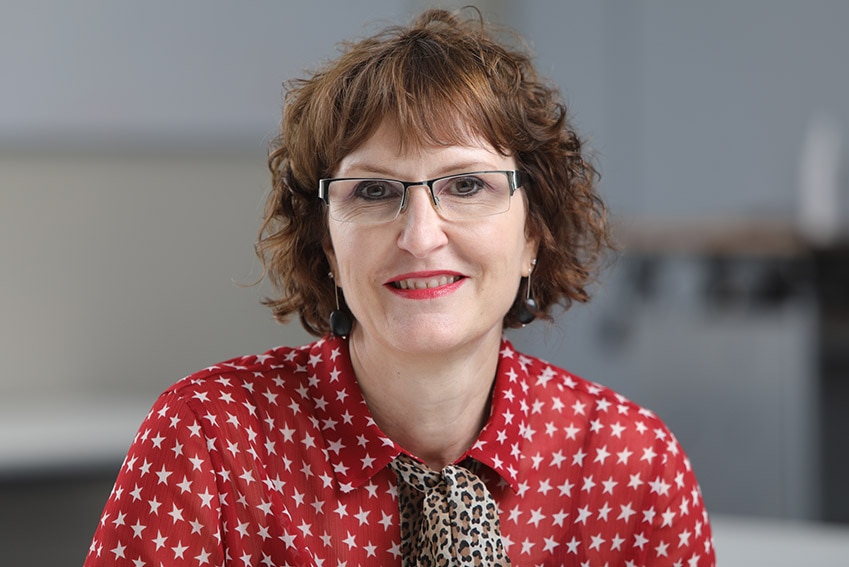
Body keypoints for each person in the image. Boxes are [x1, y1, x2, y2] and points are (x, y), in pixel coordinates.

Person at [85, 8, 715, 566]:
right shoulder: (208, 442)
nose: (420, 235)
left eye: (467, 185)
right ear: (327, 242)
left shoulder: (633, 466)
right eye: (375, 191)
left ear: (534, 234)